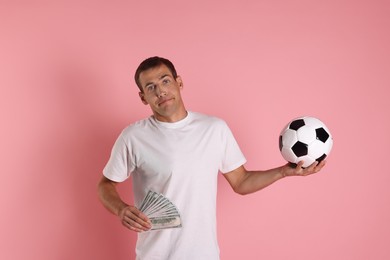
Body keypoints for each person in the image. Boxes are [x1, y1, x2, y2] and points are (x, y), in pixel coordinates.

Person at [98, 56, 326, 259]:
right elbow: (105, 185)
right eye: (151, 87)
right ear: (143, 97)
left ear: (179, 82)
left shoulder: (214, 129)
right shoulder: (133, 137)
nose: (161, 91)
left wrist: (284, 171)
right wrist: (121, 209)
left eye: (165, 81)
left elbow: (241, 182)